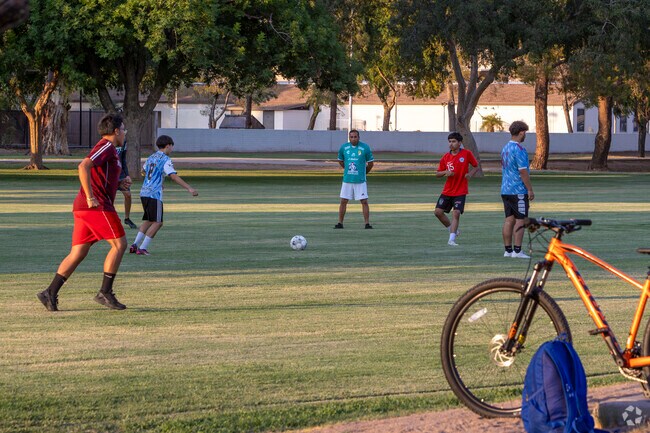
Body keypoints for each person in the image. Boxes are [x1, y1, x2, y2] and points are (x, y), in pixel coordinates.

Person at [37, 113, 129, 311]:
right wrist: (90, 196)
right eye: (123, 129)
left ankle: (49, 293)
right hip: (96, 207)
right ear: (116, 131)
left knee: (78, 252)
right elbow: (83, 166)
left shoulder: (111, 149)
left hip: (85, 208)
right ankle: (105, 292)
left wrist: (119, 183)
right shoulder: (106, 146)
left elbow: (100, 176)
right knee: (120, 244)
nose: (125, 132)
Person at [130, 135, 198, 255]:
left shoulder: (151, 157)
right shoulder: (165, 159)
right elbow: (173, 176)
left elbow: (144, 170)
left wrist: (157, 180)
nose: (172, 149)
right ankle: (143, 248)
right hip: (153, 194)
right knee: (158, 222)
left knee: (149, 220)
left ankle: (135, 245)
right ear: (168, 146)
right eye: (171, 147)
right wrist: (189, 188)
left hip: (144, 192)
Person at [434, 132, 479, 246]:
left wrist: (470, 174)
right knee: (438, 212)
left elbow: (476, 166)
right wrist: (445, 172)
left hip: (460, 190)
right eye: (449, 141)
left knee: (456, 213)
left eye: (453, 141)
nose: (451, 144)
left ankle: (451, 239)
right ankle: (453, 230)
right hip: (447, 191)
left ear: (459, 143)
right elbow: (437, 174)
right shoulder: (446, 157)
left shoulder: (466, 154)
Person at [501, 120, 535, 258]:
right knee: (520, 220)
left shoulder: (505, 148)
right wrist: (529, 189)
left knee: (509, 220)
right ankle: (517, 250)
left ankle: (508, 251)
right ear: (521, 132)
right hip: (518, 190)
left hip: (505, 189)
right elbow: (523, 172)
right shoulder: (520, 150)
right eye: (525, 132)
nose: (525, 134)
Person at [334, 129, 374, 229]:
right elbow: (341, 161)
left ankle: (367, 223)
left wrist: (364, 172)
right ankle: (340, 223)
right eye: (351, 137)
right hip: (347, 180)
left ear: (358, 137)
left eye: (355, 137)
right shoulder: (344, 147)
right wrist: (347, 169)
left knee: (364, 201)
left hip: (360, 180)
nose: (353, 139)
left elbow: (370, 163)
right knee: (343, 201)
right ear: (349, 138)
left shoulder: (365, 147)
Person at [117, 140, 138, 229]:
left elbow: (123, 160)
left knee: (128, 195)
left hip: (121, 174)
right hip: (110, 175)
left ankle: (127, 218)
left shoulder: (123, 142)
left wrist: (127, 175)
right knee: (109, 198)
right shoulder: (107, 142)